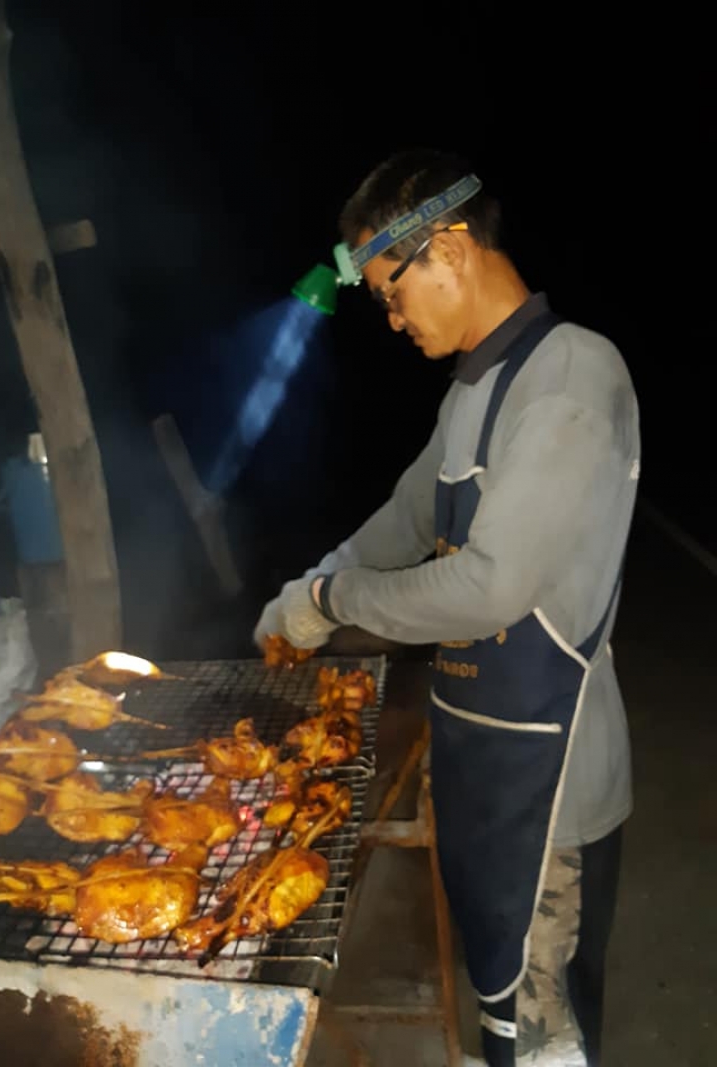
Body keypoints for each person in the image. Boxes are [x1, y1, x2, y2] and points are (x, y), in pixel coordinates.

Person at [253, 148, 640, 1067]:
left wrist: (332, 601)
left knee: (543, 1039)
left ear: (452, 251)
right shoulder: (476, 388)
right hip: (482, 763)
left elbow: (492, 585)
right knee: (495, 1011)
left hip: (552, 787)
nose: (392, 320)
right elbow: (406, 518)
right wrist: (301, 592)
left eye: (392, 293)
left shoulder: (571, 374)